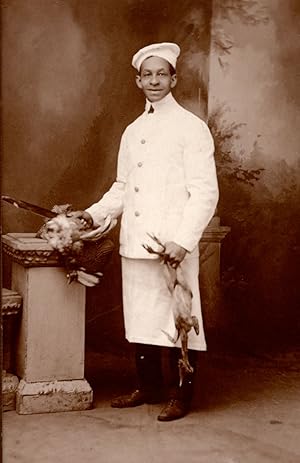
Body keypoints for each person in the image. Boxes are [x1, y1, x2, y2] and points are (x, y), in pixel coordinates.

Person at [75, 42, 219, 421]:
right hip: (135, 244)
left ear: (173, 79)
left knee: (181, 322)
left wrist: (183, 240)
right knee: (141, 319)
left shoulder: (192, 128)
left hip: (170, 246)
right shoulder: (133, 130)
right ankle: (150, 386)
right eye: (147, 75)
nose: (154, 80)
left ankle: (181, 395)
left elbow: (205, 192)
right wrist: (89, 216)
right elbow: (122, 188)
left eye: (161, 74)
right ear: (138, 81)